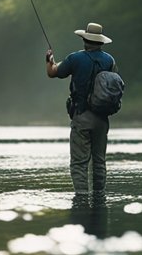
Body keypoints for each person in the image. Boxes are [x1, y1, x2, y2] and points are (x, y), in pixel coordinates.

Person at [46, 22, 116, 199]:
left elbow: (53, 72)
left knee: (79, 163)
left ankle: (82, 197)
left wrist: (49, 60)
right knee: (99, 162)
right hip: (102, 119)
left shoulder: (75, 58)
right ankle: (100, 196)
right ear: (100, 42)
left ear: (84, 39)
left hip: (82, 116)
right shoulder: (110, 60)